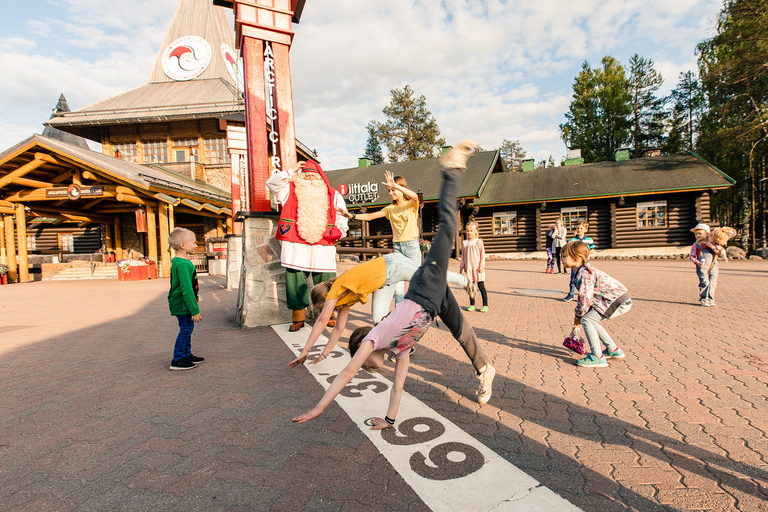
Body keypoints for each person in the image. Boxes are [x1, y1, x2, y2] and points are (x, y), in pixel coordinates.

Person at [292, 141, 496, 428]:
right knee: (462, 331)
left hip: (423, 285)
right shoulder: (400, 351)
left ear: (364, 347)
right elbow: (398, 387)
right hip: (434, 302)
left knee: (448, 228)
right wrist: (390, 420)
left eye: (364, 363)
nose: (367, 369)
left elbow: (347, 373)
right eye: (365, 366)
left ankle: (450, 170)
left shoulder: (377, 337)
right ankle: (485, 368)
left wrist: (318, 408)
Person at [287, 251, 472, 367]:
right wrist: (324, 354)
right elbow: (338, 329)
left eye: (325, 307)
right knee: (378, 318)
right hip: (384, 282)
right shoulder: (344, 300)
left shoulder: (335, 291)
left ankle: (465, 281)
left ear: (325, 298)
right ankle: (397, 346)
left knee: (428, 275)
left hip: (391, 265)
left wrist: (305, 350)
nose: (329, 312)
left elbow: (321, 322)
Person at [266, 160, 349, 331]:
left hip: (323, 245)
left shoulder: (333, 195)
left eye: (314, 175)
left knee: (326, 282)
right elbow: (272, 182)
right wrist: (292, 170)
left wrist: (340, 231)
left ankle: (328, 314)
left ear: (321, 177)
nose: (310, 179)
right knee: (296, 282)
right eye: (307, 175)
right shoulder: (289, 190)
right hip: (296, 247)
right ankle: (298, 318)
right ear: (301, 176)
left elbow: (343, 216)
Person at [338, 170, 420, 311]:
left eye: (392, 190)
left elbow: (415, 196)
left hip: (412, 247)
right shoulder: (390, 209)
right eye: (389, 190)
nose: (390, 193)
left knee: (417, 281)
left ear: (401, 188)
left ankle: (416, 310)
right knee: (397, 284)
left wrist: (396, 185)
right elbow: (370, 217)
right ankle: (398, 315)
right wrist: (351, 216)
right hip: (398, 248)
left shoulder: (410, 205)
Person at [562, 240, 632, 368]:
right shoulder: (582, 270)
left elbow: (584, 299)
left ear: (576, 258)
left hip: (616, 300)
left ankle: (597, 357)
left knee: (586, 321)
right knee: (591, 320)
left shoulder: (584, 274)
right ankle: (613, 350)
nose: (561, 258)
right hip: (618, 299)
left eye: (564, 256)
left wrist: (577, 317)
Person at [167, 227, 203, 371]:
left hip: (183, 304)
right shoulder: (182, 264)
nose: (196, 245)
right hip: (183, 304)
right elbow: (186, 289)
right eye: (194, 242)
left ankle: (186, 354)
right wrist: (194, 309)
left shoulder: (179, 262)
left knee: (187, 328)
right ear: (182, 245)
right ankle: (178, 359)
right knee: (186, 329)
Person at [689, 223, 725, 307]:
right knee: (704, 281)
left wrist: (713, 247)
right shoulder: (696, 245)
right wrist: (697, 262)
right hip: (702, 265)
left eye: (700, 233)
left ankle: (711, 298)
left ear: (707, 234)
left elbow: (719, 252)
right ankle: (704, 298)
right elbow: (692, 256)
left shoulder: (713, 244)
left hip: (713, 265)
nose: (697, 235)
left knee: (713, 282)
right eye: (696, 234)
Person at [459, 221, 488, 312]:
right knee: (471, 287)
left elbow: (482, 255)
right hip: (469, 268)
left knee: (481, 286)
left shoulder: (478, 242)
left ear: (476, 231)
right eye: (467, 231)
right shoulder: (465, 243)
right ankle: (472, 304)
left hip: (477, 268)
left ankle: (485, 305)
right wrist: (461, 267)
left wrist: (481, 266)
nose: (469, 233)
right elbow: (463, 256)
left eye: (471, 231)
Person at [563, 221, 595, 301]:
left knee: (586, 280)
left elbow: (592, 250)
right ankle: (571, 294)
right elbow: (569, 250)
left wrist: (585, 254)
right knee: (573, 279)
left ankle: (587, 295)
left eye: (581, 228)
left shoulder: (589, 240)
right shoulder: (572, 240)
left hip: (586, 264)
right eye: (577, 228)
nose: (579, 230)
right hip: (575, 264)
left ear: (585, 230)